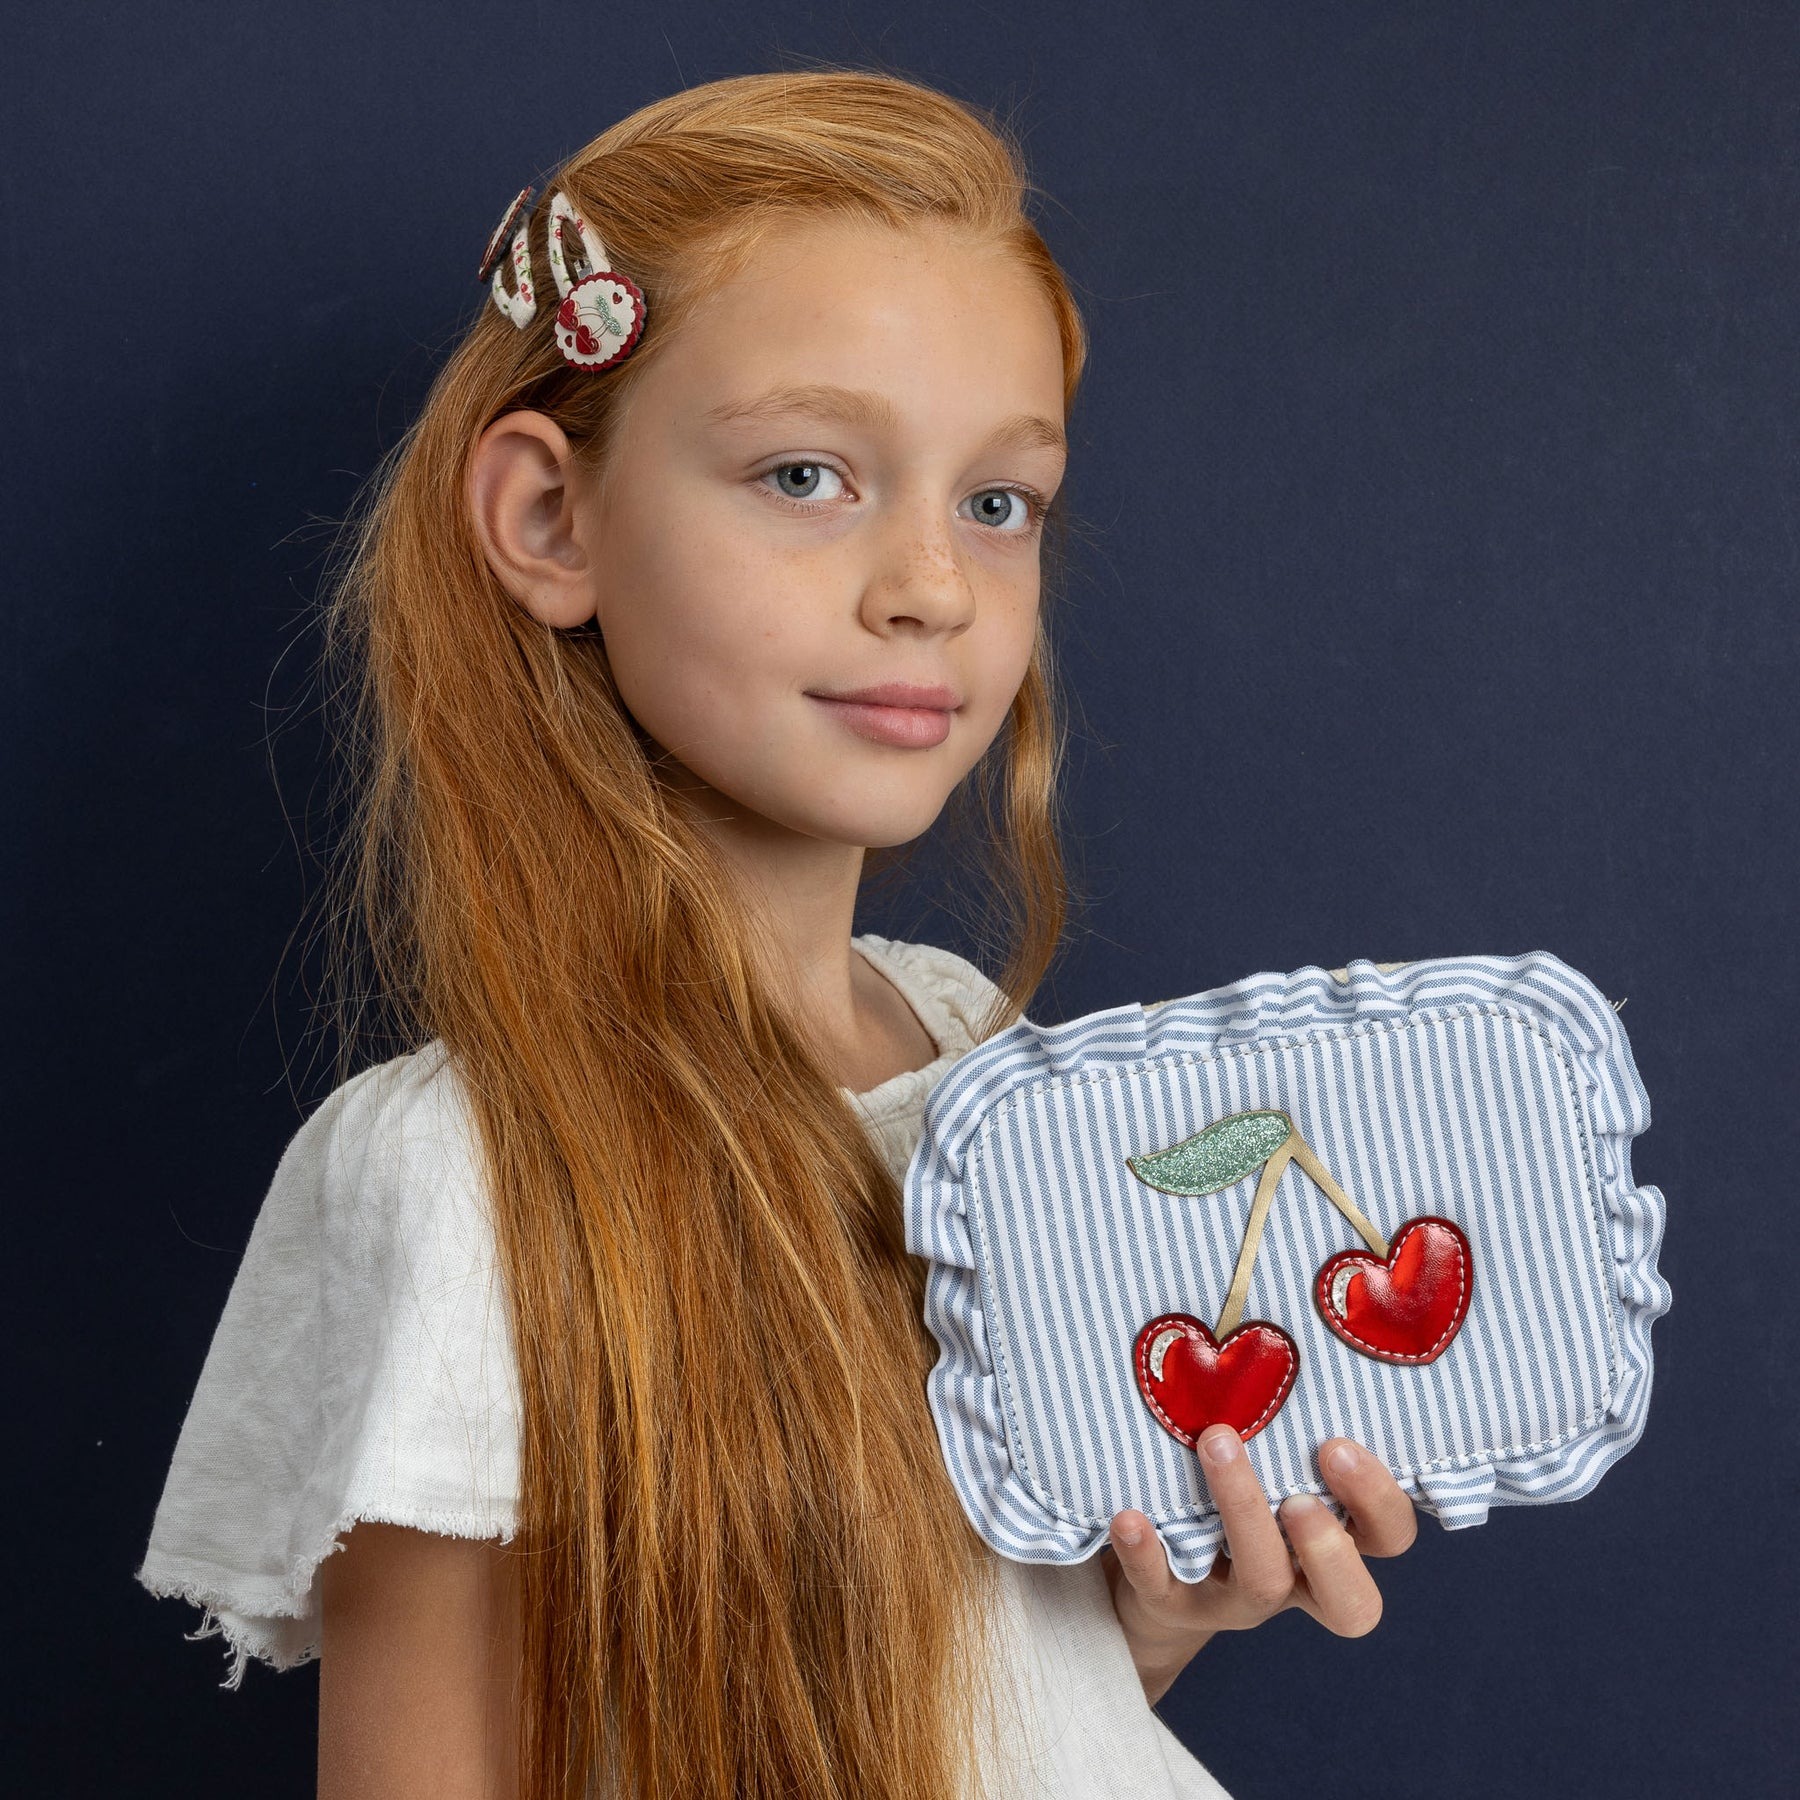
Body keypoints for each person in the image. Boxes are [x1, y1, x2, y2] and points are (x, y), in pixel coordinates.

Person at [135, 67, 1421, 1799]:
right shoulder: (469, 1176)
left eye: (998, 501)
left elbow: (980, 1716)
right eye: (807, 474)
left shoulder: (973, 1048)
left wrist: (1153, 1618)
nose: (934, 587)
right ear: (550, 519)